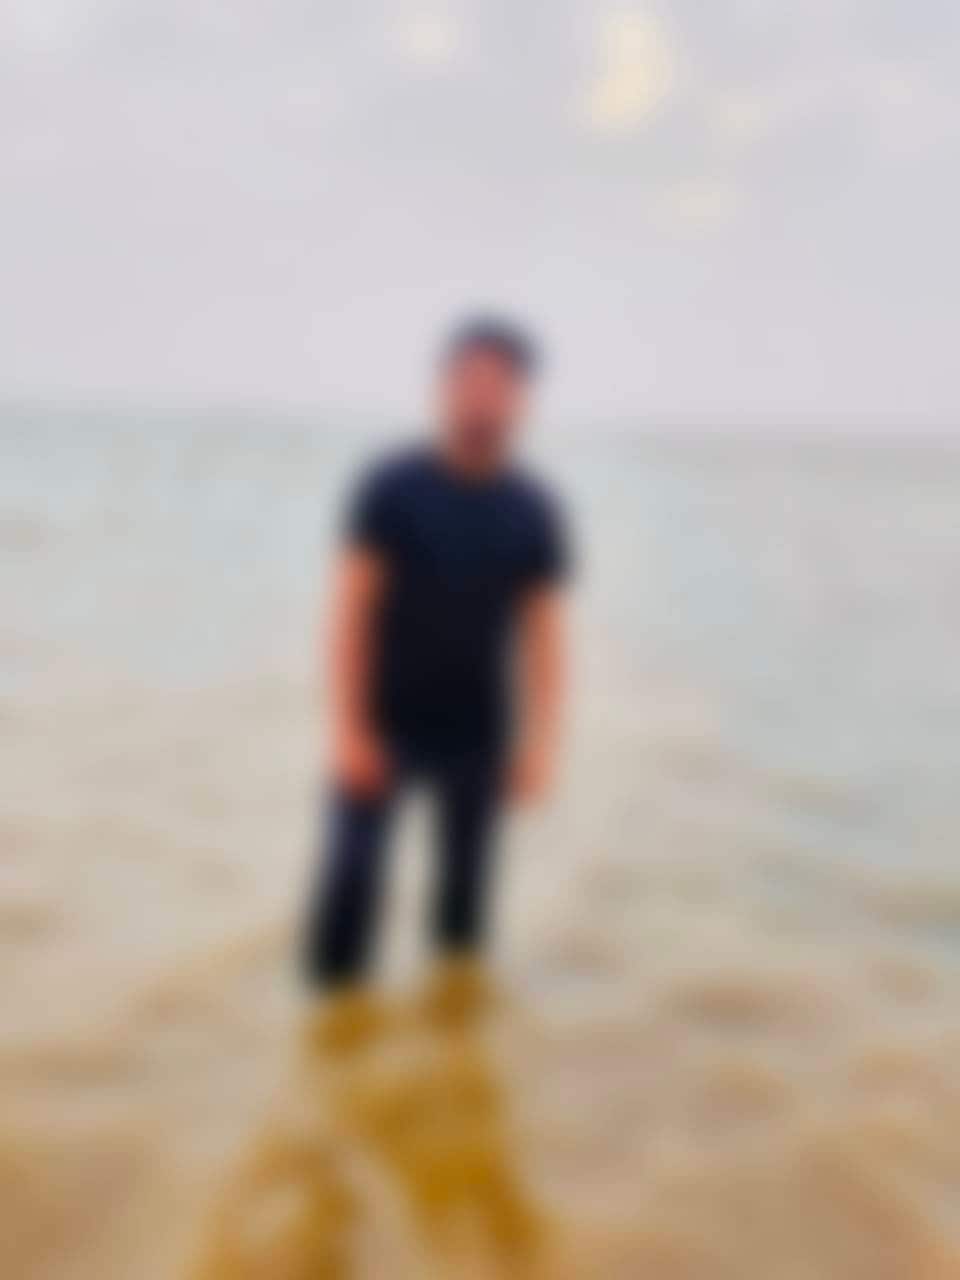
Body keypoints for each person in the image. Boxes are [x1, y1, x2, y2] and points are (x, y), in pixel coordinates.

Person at [301, 316, 570, 1024]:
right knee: (347, 901)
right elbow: (350, 613)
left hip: (477, 736)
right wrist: (348, 730)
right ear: (444, 388)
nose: (483, 398)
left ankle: (452, 1053)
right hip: (383, 726)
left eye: (500, 385)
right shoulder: (390, 486)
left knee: (461, 925)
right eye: (469, 380)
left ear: (521, 400)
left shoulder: (533, 510)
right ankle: (331, 1045)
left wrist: (540, 745)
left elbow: (544, 638)